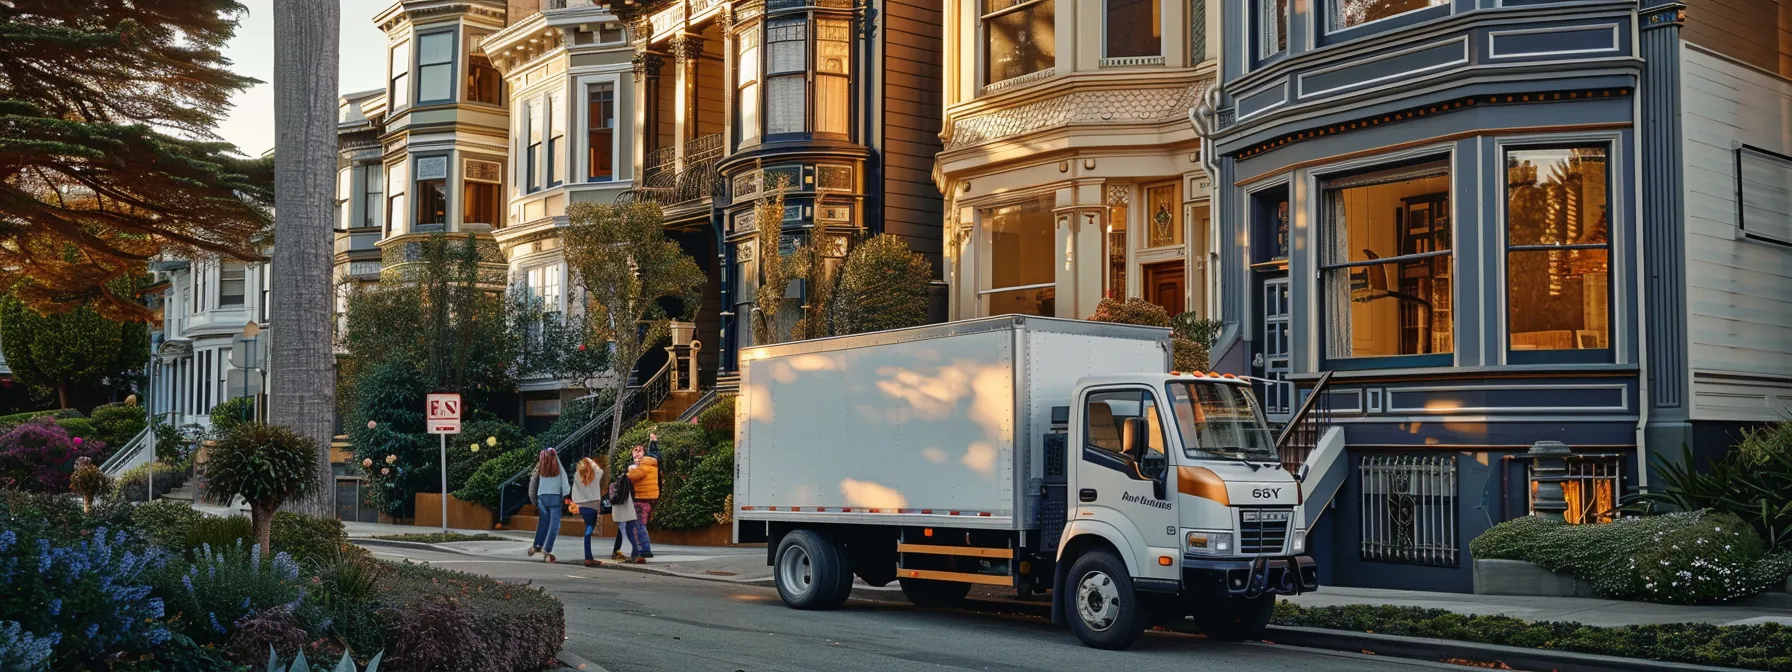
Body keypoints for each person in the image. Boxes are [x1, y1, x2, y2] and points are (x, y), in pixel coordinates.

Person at [527, 448, 571, 563]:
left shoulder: (540, 467)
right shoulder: (557, 465)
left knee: (543, 522)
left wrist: (534, 498)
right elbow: (564, 480)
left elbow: (533, 482)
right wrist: (566, 493)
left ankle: (537, 545)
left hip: (542, 496)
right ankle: (547, 551)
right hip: (555, 497)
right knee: (554, 526)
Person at [625, 437, 661, 562]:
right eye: (635, 450)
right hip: (649, 498)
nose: (637, 452)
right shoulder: (652, 461)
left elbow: (632, 477)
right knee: (640, 524)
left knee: (638, 525)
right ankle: (641, 549)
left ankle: (643, 550)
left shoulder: (643, 464)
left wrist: (630, 469)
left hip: (641, 498)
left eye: (638, 450)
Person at [570, 456, 608, 567]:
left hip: (582, 506)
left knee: (588, 527)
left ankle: (589, 557)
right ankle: (588, 558)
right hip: (593, 506)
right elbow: (599, 470)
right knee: (589, 529)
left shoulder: (577, 476)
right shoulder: (595, 477)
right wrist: (589, 460)